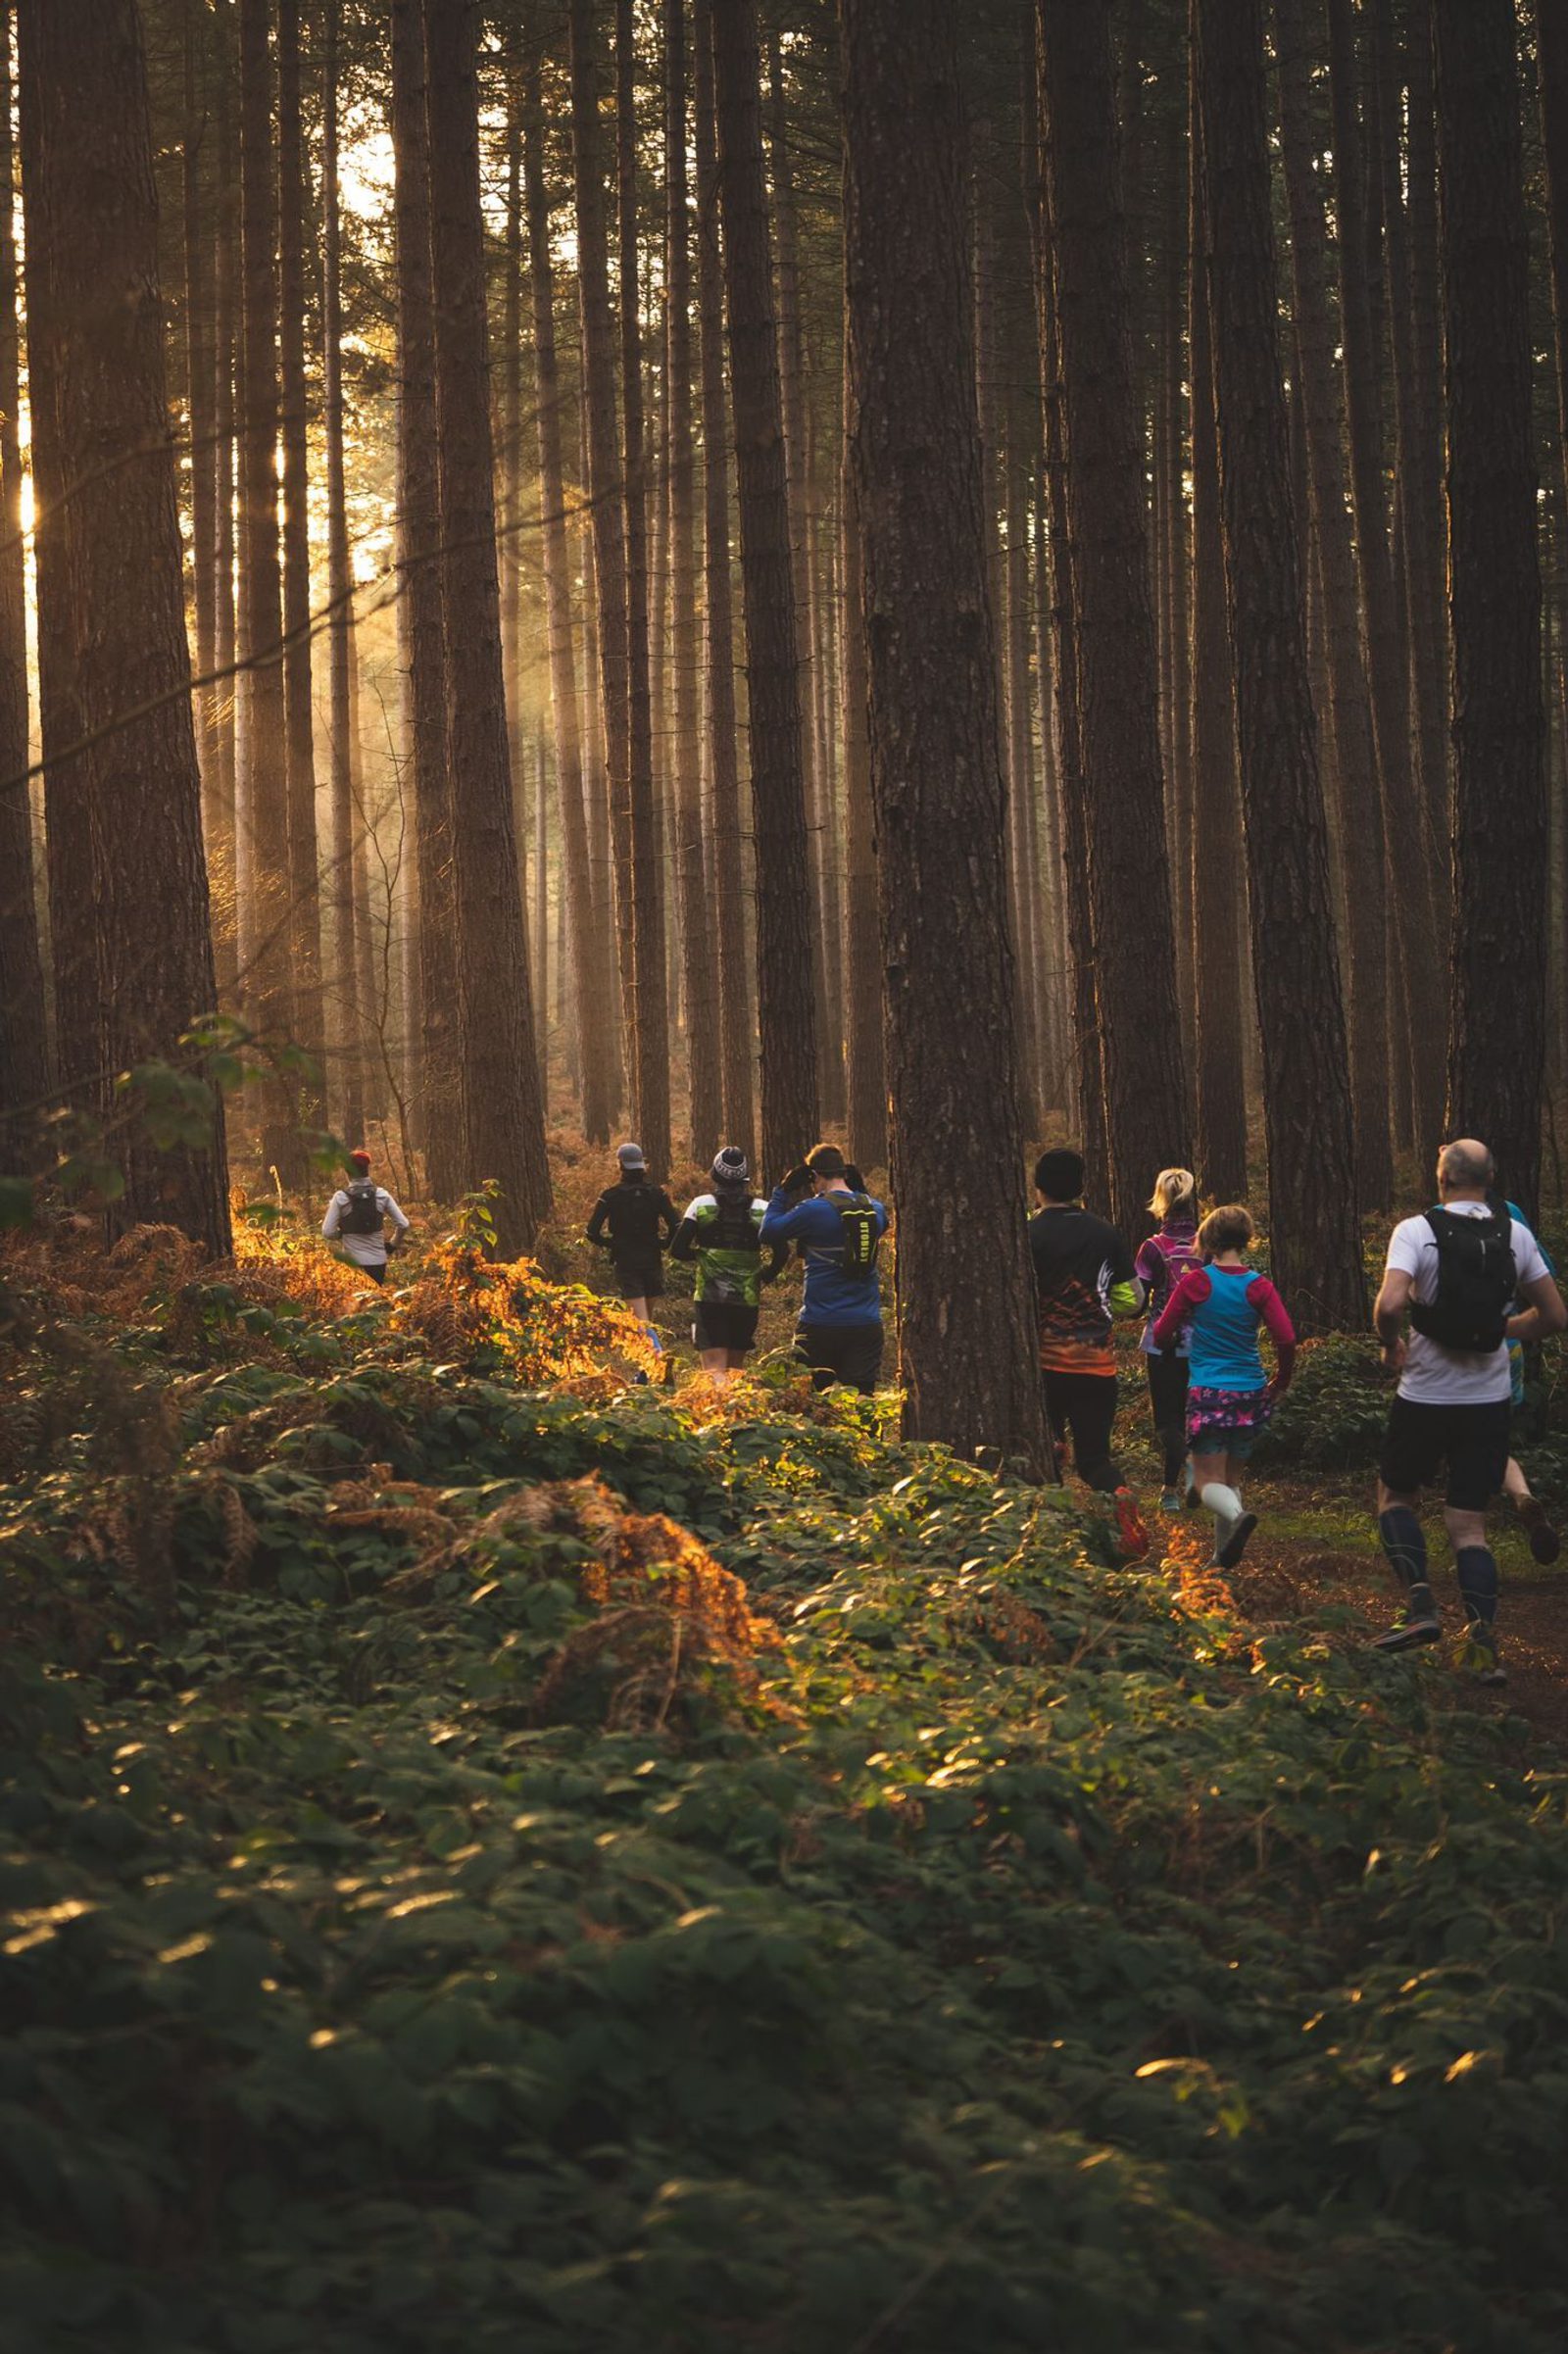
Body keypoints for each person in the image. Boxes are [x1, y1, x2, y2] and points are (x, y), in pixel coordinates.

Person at [1370, 1138, 1565, 1682]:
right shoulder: (1515, 1234)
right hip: (1489, 1398)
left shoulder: (1416, 1231)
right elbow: (1553, 1315)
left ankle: (1420, 1607)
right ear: (1491, 1176)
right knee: (1470, 1526)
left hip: (1425, 1395)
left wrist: (1391, 1344)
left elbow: (1389, 1304)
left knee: (1394, 1498)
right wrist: (1505, 1329)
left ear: (1442, 1178)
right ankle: (1482, 1650)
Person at [1152, 1202, 1296, 1571]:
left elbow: (1163, 1331)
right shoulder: (1258, 1286)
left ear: (1209, 1239)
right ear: (1246, 1239)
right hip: (1250, 1391)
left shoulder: (1197, 1282)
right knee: (1229, 1479)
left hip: (1209, 1391)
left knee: (1205, 1482)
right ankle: (1220, 1561)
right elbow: (1286, 1338)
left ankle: (1239, 1515)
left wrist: (1171, 1342)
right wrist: (1281, 1380)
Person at [1026, 1147, 1148, 1560]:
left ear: (1037, 1187)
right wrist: (1103, 1305)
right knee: (1095, 1459)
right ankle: (1120, 1497)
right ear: (1081, 1188)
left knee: (1045, 1453)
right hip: (1097, 1365)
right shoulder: (1105, 1233)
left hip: (1043, 1366)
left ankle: (1054, 1540)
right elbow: (1134, 1299)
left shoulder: (1027, 1233)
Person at [760, 1143, 889, 1395]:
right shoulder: (876, 1209)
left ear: (815, 1176)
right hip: (866, 1323)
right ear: (844, 1172)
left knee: (812, 1402)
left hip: (820, 1323)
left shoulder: (813, 1210)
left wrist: (782, 1190)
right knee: (863, 1403)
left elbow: (768, 1231)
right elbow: (877, 1226)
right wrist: (860, 1191)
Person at [669, 1147, 786, 1384]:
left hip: (710, 1299)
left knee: (714, 1371)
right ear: (745, 1177)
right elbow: (783, 1251)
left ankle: (716, 1414)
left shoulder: (700, 1205)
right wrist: (766, 1275)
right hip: (746, 1299)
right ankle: (736, 1415)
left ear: (715, 1175)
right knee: (735, 1371)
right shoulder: (762, 1209)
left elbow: (677, 1250)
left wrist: (703, 1256)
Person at [1135, 1167, 1201, 1512]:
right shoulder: (1207, 1245)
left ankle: (1190, 1470)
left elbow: (1137, 1299)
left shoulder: (1152, 1248)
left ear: (1161, 1201)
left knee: (1166, 1421)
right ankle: (1169, 1489)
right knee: (1190, 1417)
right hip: (1202, 1344)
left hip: (1161, 1343)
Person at [586, 1143, 679, 1332]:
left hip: (626, 1262)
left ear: (620, 1164)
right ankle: (652, 1357)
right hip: (652, 1259)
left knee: (642, 1325)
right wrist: (664, 1243)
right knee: (647, 1322)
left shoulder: (610, 1196)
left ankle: (656, 1358)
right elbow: (676, 1225)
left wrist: (613, 1244)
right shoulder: (657, 1193)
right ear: (641, 1165)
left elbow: (591, 1232)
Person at [321, 1151, 410, 1286]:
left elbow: (328, 1232)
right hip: (377, 1262)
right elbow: (403, 1224)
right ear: (367, 1169)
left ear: (347, 1172)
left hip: (352, 1263)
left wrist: (341, 1233)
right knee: (375, 1303)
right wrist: (392, 1245)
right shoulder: (382, 1195)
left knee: (355, 1305)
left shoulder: (340, 1198)